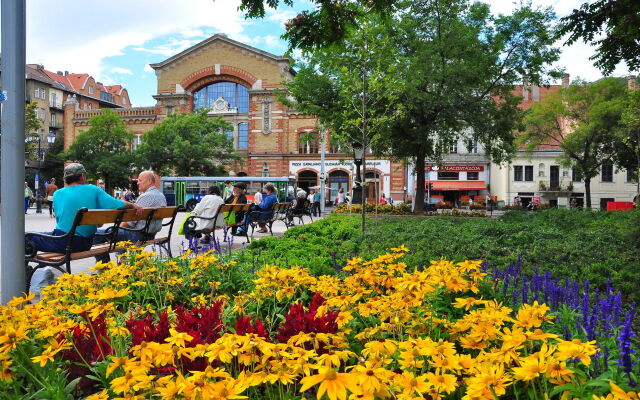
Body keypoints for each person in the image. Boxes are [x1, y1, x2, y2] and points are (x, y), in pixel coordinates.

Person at [26, 163, 143, 293]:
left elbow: (60, 220)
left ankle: (25, 276)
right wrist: (133, 206)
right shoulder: (94, 190)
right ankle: (37, 269)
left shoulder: (59, 194)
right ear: (82, 176)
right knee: (35, 237)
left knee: (25, 237)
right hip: (85, 243)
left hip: (65, 242)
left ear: (65, 179)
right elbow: (116, 204)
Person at [94, 170, 166, 264]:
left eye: (140, 180)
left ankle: (104, 266)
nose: (137, 182)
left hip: (138, 235)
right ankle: (122, 261)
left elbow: (129, 223)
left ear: (149, 181)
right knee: (119, 233)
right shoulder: (161, 196)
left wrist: (116, 229)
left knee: (96, 233)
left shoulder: (146, 196)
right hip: (150, 234)